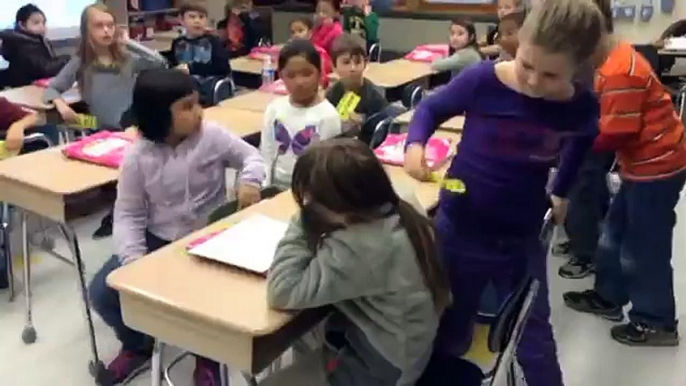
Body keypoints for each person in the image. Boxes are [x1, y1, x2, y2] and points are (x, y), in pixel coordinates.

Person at [404, 1, 608, 385]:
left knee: (534, 337)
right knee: (448, 325)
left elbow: (583, 141)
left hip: (520, 237)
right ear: (518, 42)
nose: (532, 81)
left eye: (550, 75)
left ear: (577, 70)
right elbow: (430, 110)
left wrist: (561, 189)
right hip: (460, 228)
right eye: (526, 64)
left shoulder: (579, 107)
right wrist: (415, 144)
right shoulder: (484, 80)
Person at [88, 68, 266, 386]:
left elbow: (251, 156)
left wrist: (250, 180)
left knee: (207, 299)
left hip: (209, 238)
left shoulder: (211, 135)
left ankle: (208, 355)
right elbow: (128, 214)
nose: (198, 113)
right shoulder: (137, 157)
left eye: (197, 103)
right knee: (103, 292)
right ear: (158, 116)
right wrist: (134, 263)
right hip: (159, 239)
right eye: (186, 107)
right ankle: (137, 344)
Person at [261, 138, 450, 386]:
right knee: (308, 332)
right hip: (407, 346)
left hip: (381, 368)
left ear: (341, 204)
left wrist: (305, 218)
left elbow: (282, 290)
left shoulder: (362, 247)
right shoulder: (401, 201)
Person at [563, 6, 686, 346]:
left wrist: (568, 140)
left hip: (658, 168)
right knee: (613, 235)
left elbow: (615, 134)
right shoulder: (613, 58)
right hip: (641, 166)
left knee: (644, 248)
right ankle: (609, 295)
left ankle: (656, 321)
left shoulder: (620, 70)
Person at [43, 3, 167, 239]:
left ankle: (123, 212)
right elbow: (52, 88)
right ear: (86, 30)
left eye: (110, 25)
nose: (106, 31)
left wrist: (128, 42)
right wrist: (61, 105)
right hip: (98, 125)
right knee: (75, 131)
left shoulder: (127, 58)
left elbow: (160, 63)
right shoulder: (81, 61)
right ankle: (107, 205)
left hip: (129, 125)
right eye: (99, 26)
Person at [260, 39, 342, 191]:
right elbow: (266, 153)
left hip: (311, 192)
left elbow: (326, 171)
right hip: (275, 190)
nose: (299, 82)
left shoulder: (328, 116)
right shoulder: (274, 109)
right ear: (281, 77)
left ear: (319, 74)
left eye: (307, 74)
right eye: (291, 76)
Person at [326, 33, 388, 145]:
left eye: (358, 62)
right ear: (334, 66)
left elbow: (380, 135)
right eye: (346, 62)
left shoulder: (375, 98)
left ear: (365, 64)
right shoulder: (332, 94)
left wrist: (363, 124)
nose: (352, 68)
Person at [170, 2, 232, 107]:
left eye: (201, 17)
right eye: (192, 17)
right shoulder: (177, 43)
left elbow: (223, 69)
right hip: (184, 87)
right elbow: (173, 64)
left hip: (208, 85)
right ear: (181, 20)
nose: (197, 21)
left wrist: (191, 69)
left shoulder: (214, 42)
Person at [0, 4, 70, 87]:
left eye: (43, 23)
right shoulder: (21, 43)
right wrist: (67, 59)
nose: (41, 26)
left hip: (36, 85)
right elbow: (45, 69)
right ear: (22, 25)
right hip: (24, 88)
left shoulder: (38, 40)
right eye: (36, 23)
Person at [289, 17, 333, 87]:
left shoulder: (319, 52)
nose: (296, 35)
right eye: (293, 32)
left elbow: (324, 78)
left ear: (310, 33)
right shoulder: (289, 53)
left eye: (300, 31)